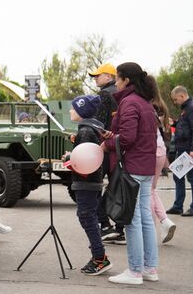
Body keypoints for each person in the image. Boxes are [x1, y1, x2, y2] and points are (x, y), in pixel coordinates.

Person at [102, 62, 158, 285]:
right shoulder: (145, 103)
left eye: (117, 78)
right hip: (145, 167)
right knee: (145, 218)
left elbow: (127, 138)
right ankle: (150, 269)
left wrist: (108, 141)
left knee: (132, 219)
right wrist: (114, 135)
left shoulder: (128, 102)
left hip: (132, 168)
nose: (115, 82)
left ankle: (135, 271)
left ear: (126, 80)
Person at [67, 94, 112, 276]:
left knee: (86, 217)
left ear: (82, 111)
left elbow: (85, 160)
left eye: (74, 108)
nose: (71, 110)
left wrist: (70, 159)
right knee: (89, 216)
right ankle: (98, 256)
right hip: (92, 181)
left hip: (85, 181)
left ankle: (100, 258)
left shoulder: (85, 131)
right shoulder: (92, 129)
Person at [89, 63, 125, 244]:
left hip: (105, 147)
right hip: (120, 147)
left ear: (109, 77)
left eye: (98, 75)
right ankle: (119, 229)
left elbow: (99, 123)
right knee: (117, 186)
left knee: (94, 186)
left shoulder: (104, 94)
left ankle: (104, 224)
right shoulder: (121, 95)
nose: (95, 78)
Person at [166, 86, 193, 217]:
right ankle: (178, 206)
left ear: (182, 96)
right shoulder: (186, 108)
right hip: (181, 148)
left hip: (188, 149)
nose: (175, 102)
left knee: (192, 177)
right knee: (178, 176)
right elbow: (185, 126)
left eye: (176, 100)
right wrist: (175, 123)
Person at [149, 77, 176, 243]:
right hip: (161, 150)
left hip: (150, 150)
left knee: (146, 191)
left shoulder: (149, 105)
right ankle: (165, 221)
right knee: (151, 189)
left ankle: (150, 229)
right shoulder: (162, 106)